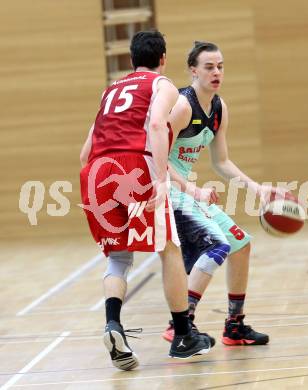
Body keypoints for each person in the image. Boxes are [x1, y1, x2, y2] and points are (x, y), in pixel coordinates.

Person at [79, 31, 212, 371]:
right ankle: (183, 335)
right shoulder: (162, 84)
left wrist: (96, 192)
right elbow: (155, 123)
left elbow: (85, 152)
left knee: (118, 257)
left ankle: (113, 324)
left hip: (95, 171)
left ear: (131, 58)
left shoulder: (110, 90)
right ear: (163, 58)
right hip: (133, 165)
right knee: (168, 247)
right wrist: (161, 180)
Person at [162, 41, 282, 346]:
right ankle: (180, 324)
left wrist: (256, 188)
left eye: (220, 66)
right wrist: (191, 189)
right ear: (193, 70)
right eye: (209, 67)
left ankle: (234, 325)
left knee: (240, 244)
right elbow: (155, 157)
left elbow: (221, 162)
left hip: (187, 191)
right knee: (217, 245)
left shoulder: (218, 108)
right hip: (164, 189)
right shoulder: (181, 105)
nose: (216, 72)